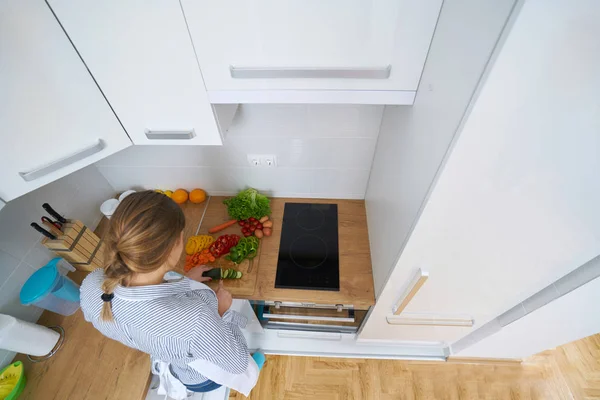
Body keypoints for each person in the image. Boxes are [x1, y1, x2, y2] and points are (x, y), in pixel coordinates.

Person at [80, 190, 263, 394]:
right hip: (204, 377)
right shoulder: (196, 320)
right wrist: (221, 311)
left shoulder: (91, 286)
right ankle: (258, 361)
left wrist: (186, 280)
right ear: (174, 246)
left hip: (179, 366)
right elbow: (237, 365)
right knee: (245, 365)